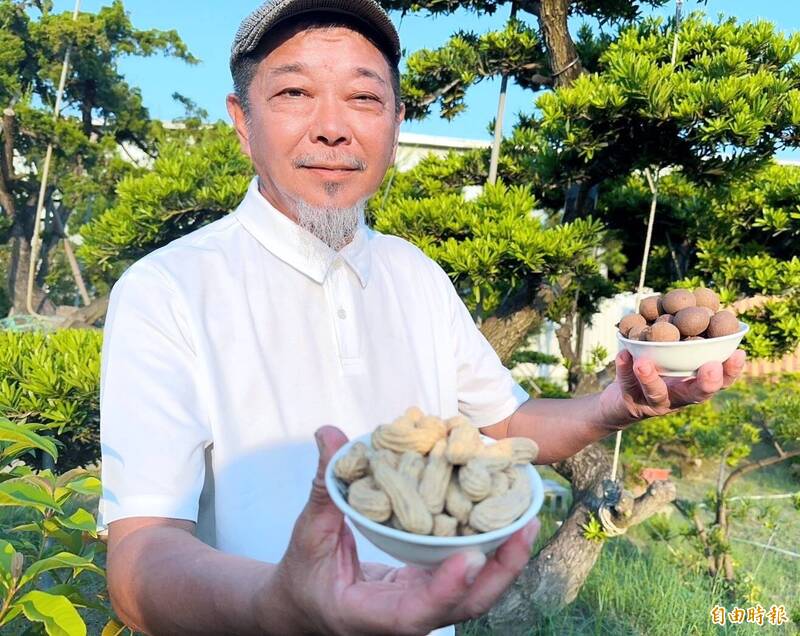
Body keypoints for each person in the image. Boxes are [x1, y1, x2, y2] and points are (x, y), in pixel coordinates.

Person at [99, 0, 747, 634]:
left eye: (364, 98)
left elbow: (503, 425)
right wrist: (280, 606)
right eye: (294, 93)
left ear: (397, 122)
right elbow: (139, 557)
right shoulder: (168, 289)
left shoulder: (414, 271)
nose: (332, 126)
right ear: (242, 122)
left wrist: (615, 405)